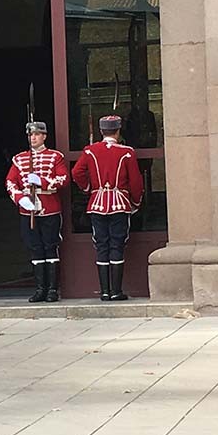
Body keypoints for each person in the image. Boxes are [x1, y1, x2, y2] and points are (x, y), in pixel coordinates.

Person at [72, 115, 143, 301]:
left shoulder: (90, 151)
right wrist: (135, 202)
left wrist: (89, 188)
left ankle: (104, 291)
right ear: (118, 131)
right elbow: (136, 182)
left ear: (101, 131)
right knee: (117, 244)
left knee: (101, 245)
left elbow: (76, 172)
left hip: (97, 203)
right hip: (119, 203)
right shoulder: (127, 152)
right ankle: (116, 291)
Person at [4, 120, 69, 302]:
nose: (33, 138)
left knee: (50, 247)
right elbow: (10, 182)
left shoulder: (55, 156)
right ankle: (40, 289)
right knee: (35, 249)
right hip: (28, 209)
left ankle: (52, 290)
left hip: (49, 208)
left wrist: (42, 181)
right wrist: (20, 199)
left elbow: (63, 179)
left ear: (44, 136)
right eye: (30, 135)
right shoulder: (20, 158)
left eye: (37, 134)